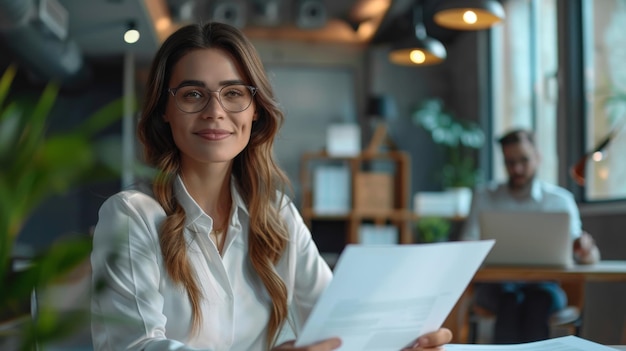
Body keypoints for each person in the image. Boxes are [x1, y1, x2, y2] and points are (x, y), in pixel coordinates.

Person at [90, 22, 452, 351]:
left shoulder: (274, 212)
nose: (215, 111)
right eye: (192, 95)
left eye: (233, 93)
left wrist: (403, 340)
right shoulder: (132, 215)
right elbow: (135, 346)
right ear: (164, 110)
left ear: (255, 109)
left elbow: (337, 323)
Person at [461, 129, 600, 344]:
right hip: (495, 287)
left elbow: (587, 257)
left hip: (546, 287)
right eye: (509, 162)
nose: (517, 169)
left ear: (538, 157)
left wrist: (586, 249)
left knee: (538, 300)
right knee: (510, 298)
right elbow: (467, 246)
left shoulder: (560, 200)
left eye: (524, 160)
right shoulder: (484, 196)